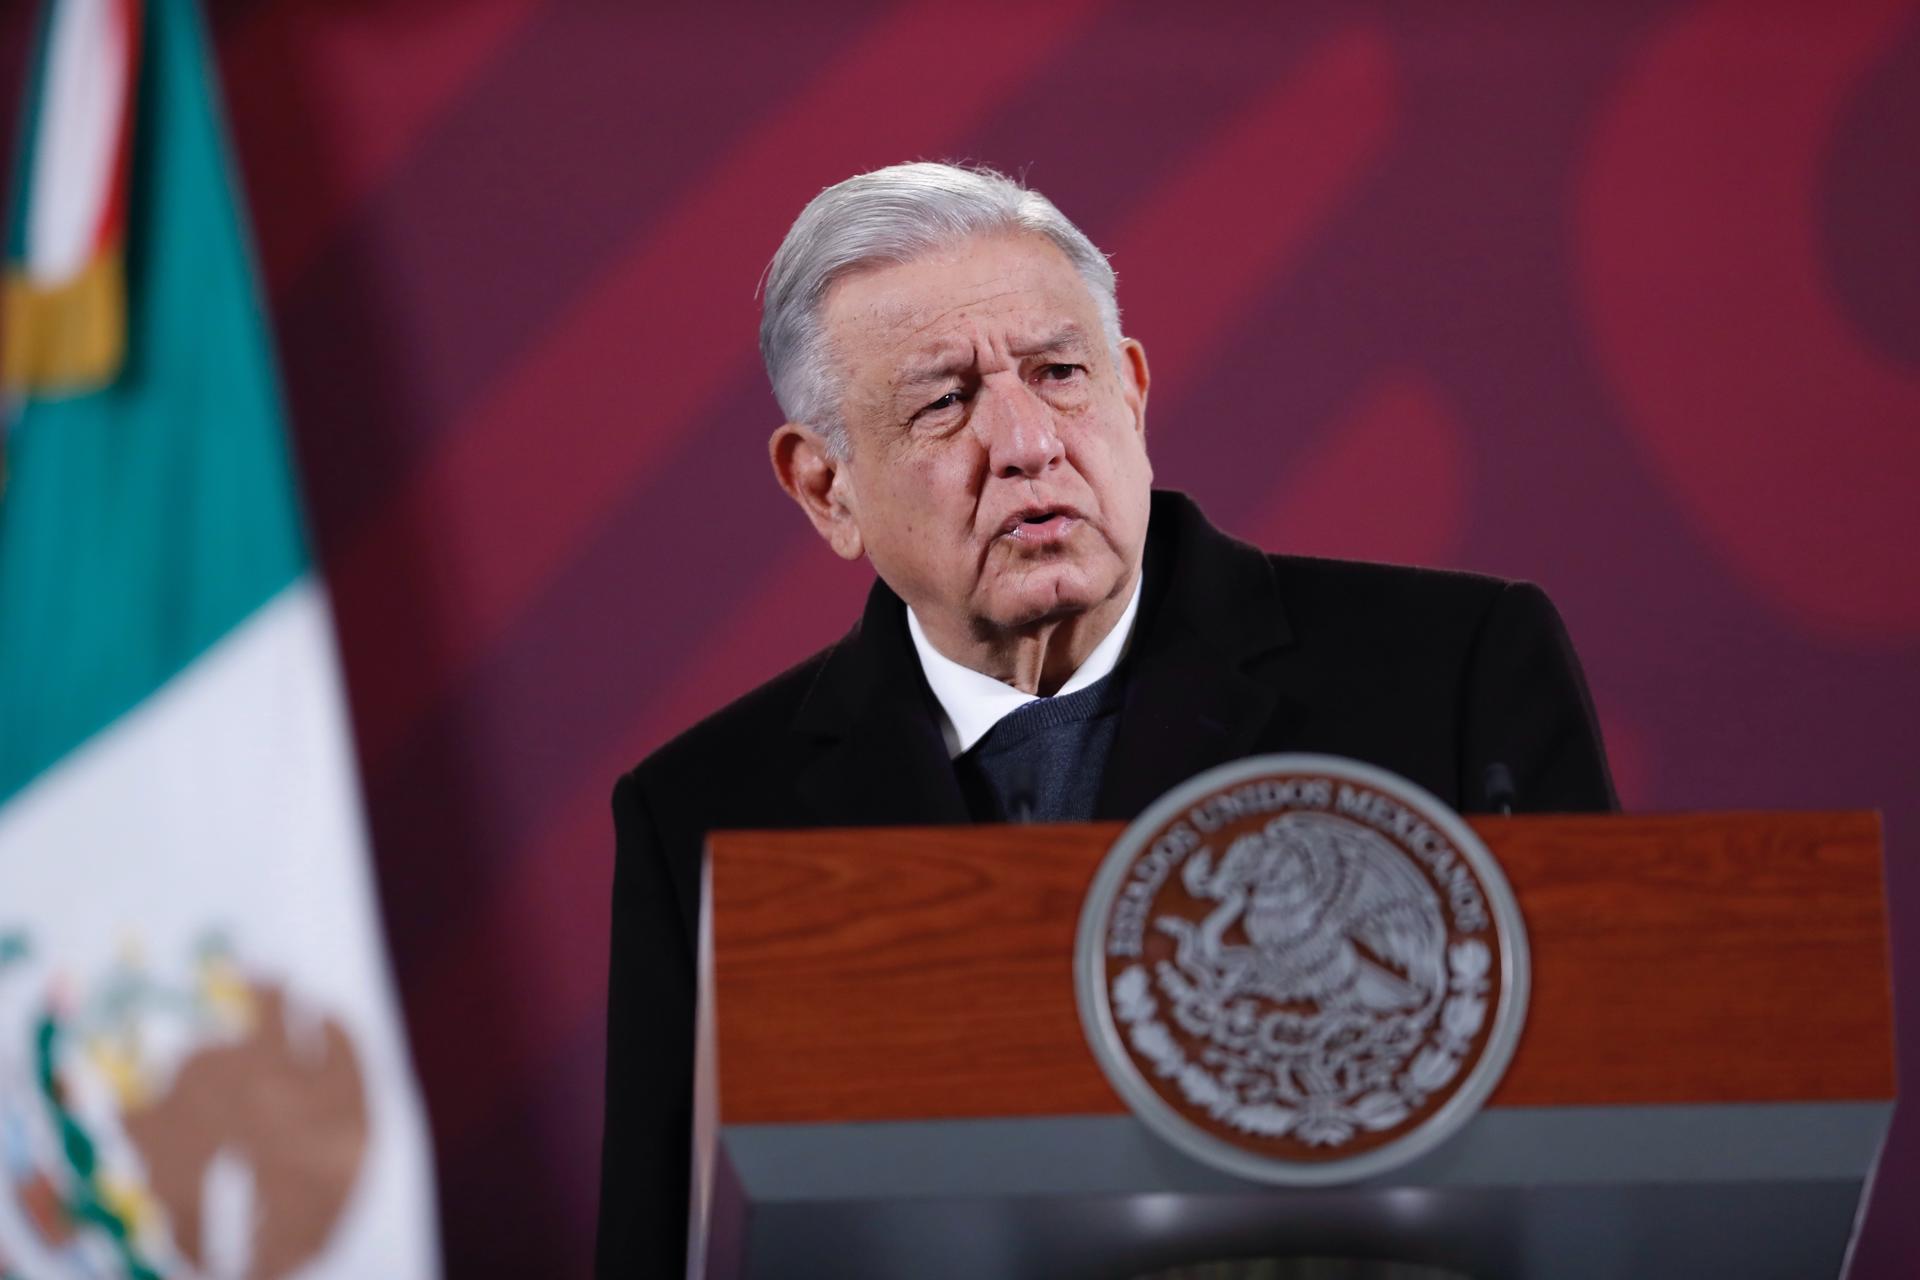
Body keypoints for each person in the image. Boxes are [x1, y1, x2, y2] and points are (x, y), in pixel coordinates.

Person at [594, 162, 1614, 1276]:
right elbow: (658, 1238)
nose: (1028, 440)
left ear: (1129, 391)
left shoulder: (1449, 674)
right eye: (945, 400)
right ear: (826, 487)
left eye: (1058, 372)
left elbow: (1618, 1144)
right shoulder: (704, 811)